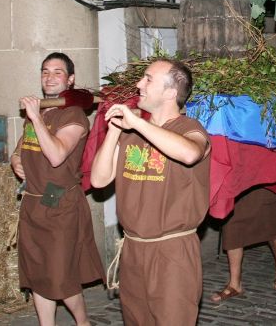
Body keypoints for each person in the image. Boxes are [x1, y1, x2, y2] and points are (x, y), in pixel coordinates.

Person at [90, 59, 211, 326]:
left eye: (147, 79)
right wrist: (114, 132)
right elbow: (98, 181)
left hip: (172, 252)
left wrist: (138, 123)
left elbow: (190, 153)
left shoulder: (190, 129)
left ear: (170, 92)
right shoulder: (131, 133)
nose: (138, 85)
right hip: (133, 249)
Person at [10, 52, 105, 326]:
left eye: (57, 72)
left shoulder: (74, 116)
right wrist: (16, 160)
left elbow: (56, 155)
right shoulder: (38, 112)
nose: (49, 77)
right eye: (45, 71)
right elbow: (20, 149)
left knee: (59, 274)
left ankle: (83, 322)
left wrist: (36, 119)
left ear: (70, 79)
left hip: (60, 203)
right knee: (38, 273)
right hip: (33, 203)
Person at [209, 186, 276, 303]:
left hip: (264, 175)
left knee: (270, 215)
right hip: (237, 176)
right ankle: (235, 284)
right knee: (232, 222)